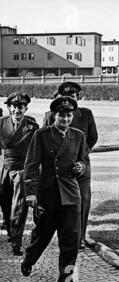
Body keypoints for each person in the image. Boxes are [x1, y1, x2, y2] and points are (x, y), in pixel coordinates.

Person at [21, 96, 87, 282]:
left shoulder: (79, 136)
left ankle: (66, 281)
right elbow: (31, 165)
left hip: (71, 195)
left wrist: (80, 167)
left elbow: (84, 161)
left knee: (71, 241)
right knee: (41, 236)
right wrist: (31, 194)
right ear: (54, 116)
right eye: (61, 115)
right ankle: (29, 259)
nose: (65, 119)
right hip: (48, 194)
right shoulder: (41, 135)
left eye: (68, 115)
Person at [42, 82, 98, 250]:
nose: (70, 100)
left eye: (73, 97)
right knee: (58, 202)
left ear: (77, 98)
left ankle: (79, 237)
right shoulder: (51, 115)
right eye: (66, 97)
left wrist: (80, 156)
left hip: (81, 168)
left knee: (82, 202)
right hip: (59, 170)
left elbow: (93, 138)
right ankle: (61, 235)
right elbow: (43, 139)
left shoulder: (86, 115)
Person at [0, 92, 39, 256]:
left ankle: (16, 242)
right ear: (8, 108)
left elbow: (37, 148)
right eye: (14, 107)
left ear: (25, 108)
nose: (17, 111)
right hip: (4, 169)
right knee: (4, 202)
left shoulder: (32, 125)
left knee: (19, 207)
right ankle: (10, 229)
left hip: (22, 170)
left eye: (20, 107)